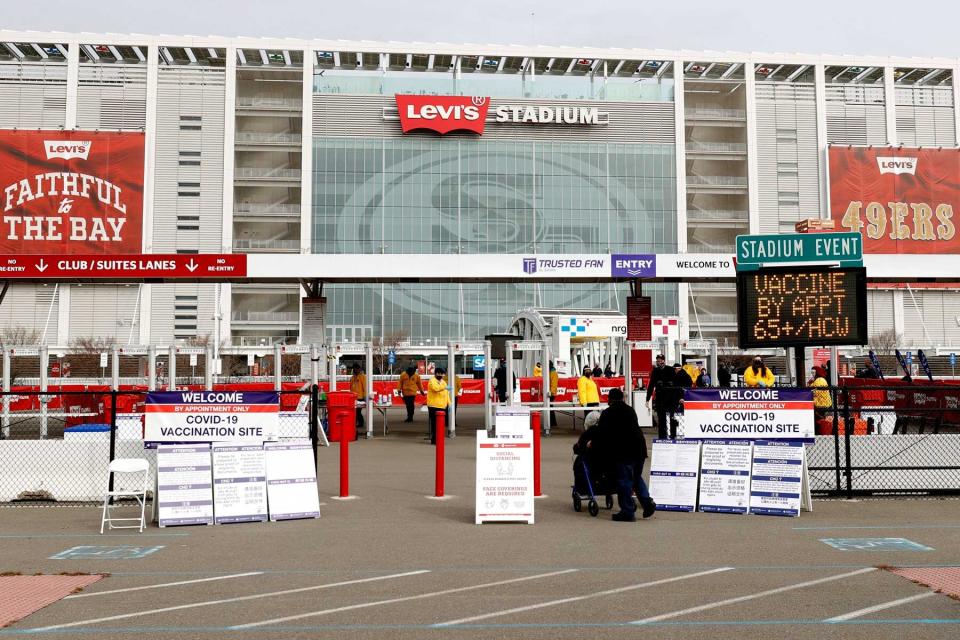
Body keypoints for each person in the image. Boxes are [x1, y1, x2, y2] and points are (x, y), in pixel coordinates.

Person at [575, 389, 655, 522]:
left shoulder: (608, 413)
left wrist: (591, 445)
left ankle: (627, 512)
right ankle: (647, 503)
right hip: (640, 450)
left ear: (609, 399)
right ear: (623, 398)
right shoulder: (630, 410)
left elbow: (602, 435)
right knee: (636, 478)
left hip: (624, 452)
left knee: (624, 481)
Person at [645, 354, 676, 439]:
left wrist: (669, 384)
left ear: (663, 361)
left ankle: (673, 435)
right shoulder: (655, 371)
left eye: (660, 360)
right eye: (657, 360)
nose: (659, 362)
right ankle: (662, 437)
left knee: (671, 418)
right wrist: (647, 399)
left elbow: (676, 383)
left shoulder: (670, 370)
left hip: (669, 398)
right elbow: (651, 385)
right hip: (660, 398)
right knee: (661, 419)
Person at [427, 367, 450, 444]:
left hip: (442, 406)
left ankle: (439, 439)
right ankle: (434, 440)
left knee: (441, 425)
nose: (441, 375)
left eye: (442, 374)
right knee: (434, 425)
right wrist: (444, 387)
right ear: (436, 373)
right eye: (440, 374)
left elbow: (447, 394)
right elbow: (435, 389)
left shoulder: (443, 382)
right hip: (434, 406)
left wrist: (449, 404)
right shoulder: (432, 381)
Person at [349, 365, 367, 431]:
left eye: (356, 369)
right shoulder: (352, 378)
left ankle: (359, 423)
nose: (355, 370)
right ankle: (358, 423)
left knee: (357, 411)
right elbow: (350, 387)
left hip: (360, 397)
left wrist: (365, 397)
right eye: (354, 369)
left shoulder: (362, 377)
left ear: (359, 369)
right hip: (353, 397)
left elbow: (365, 387)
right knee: (355, 411)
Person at [548, 361, 559, 428]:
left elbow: (554, 384)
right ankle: (552, 422)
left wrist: (551, 393)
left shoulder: (553, 373)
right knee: (550, 408)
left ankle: (552, 422)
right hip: (550, 392)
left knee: (550, 408)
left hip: (551, 393)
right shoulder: (551, 372)